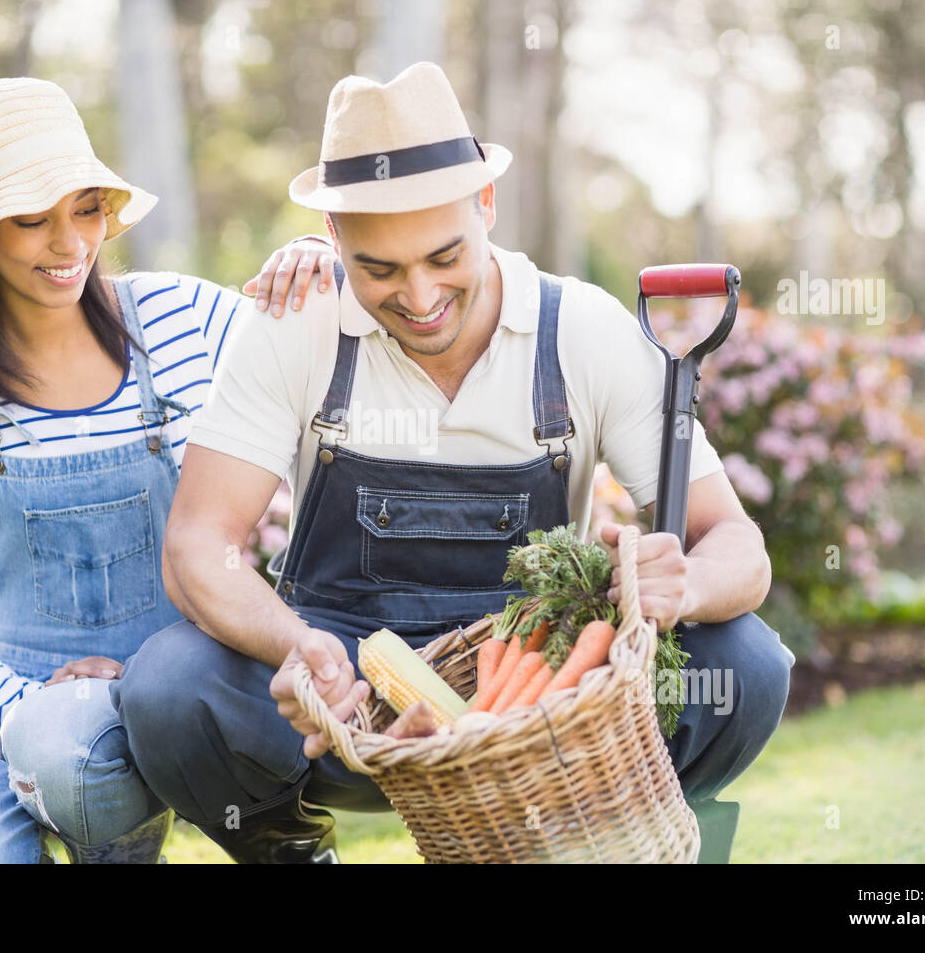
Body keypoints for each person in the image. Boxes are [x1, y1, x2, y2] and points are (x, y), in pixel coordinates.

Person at [112, 62, 796, 863]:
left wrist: (694, 581)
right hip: (341, 705)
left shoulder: (580, 330)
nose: (420, 295)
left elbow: (737, 548)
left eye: (444, 256)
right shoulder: (294, 327)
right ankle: (286, 847)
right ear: (333, 239)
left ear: (487, 206)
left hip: (539, 697)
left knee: (743, 665)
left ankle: (609, 838)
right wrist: (298, 649)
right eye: (380, 269)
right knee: (166, 689)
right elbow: (198, 546)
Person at [0, 77, 334, 863]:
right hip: (6, 696)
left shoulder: (184, 319)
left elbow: (338, 355)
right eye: (31, 221)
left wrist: (320, 259)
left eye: (86, 210)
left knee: (98, 745)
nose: (70, 246)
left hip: (186, 681)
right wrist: (21, 700)